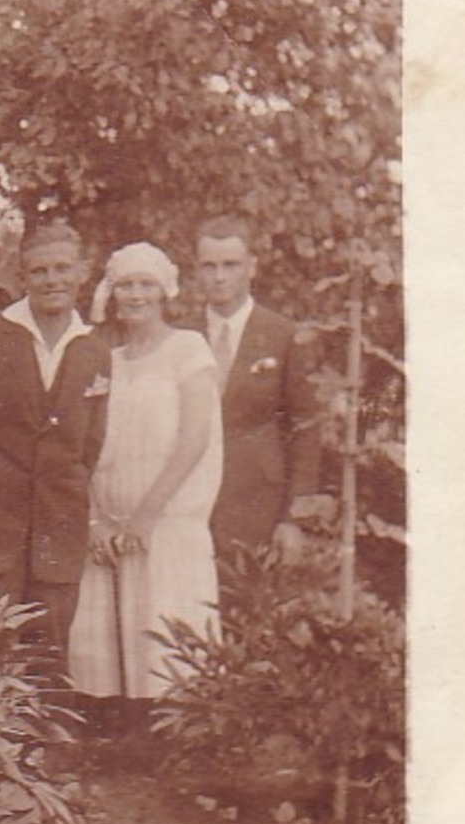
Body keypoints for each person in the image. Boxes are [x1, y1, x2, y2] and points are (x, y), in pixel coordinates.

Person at [68, 242, 223, 701]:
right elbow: (87, 445)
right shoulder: (106, 361)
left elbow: (195, 438)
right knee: (111, 652)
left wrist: (147, 515)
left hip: (165, 524)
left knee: (167, 634)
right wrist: (96, 519)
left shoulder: (188, 349)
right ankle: (120, 737)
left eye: (145, 284)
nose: (135, 295)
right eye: (126, 285)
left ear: (164, 291)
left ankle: (176, 742)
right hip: (112, 527)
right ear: (112, 293)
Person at [0, 221, 111, 674]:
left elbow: (90, 445)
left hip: (58, 526)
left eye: (63, 269)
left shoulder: (93, 350)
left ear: (83, 272)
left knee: (48, 651)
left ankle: (41, 745)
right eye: (39, 271)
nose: (52, 280)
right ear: (22, 277)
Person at [190, 214, 323, 576]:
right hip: (187, 508)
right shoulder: (179, 336)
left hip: (257, 507)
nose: (219, 277)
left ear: (251, 267)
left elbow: (307, 430)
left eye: (230, 265)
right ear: (196, 270)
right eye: (209, 266)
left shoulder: (284, 336)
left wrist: (294, 520)